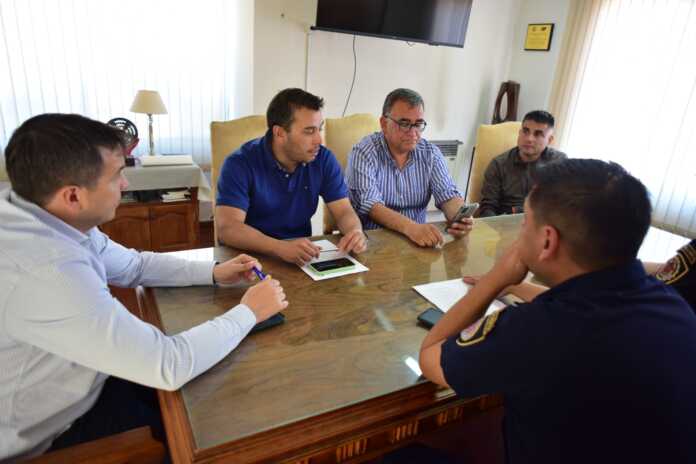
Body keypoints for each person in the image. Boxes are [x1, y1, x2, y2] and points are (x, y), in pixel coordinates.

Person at [0, 114, 288, 461]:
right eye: (116, 176)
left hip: (85, 376)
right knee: (217, 426)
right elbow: (168, 364)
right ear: (73, 196)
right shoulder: (47, 270)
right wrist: (249, 312)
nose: (125, 185)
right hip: (50, 431)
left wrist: (214, 272)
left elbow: (134, 265)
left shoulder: (43, 214)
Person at [419, 159, 696, 463]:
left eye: (526, 222)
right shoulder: (675, 308)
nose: (520, 233)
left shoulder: (534, 331)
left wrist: (497, 278)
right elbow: (587, 304)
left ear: (547, 240)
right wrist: (515, 288)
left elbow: (431, 356)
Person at [215, 88, 367, 266]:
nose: (319, 140)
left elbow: (343, 211)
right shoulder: (239, 163)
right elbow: (228, 228)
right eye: (309, 131)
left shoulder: (322, 158)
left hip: (300, 258)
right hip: (249, 259)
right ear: (279, 133)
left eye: (319, 129)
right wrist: (279, 247)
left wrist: (355, 231)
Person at [345, 88, 473, 248]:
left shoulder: (431, 154)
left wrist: (459, 216)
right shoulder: (364, 152)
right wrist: (411, 228)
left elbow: (448, 195)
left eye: (418, 124)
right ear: (384, 124)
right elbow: (372, 206)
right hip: (373, 243)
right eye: (404, 124)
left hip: (418, 243)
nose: (413, 133)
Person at [478, 110, 566, 217]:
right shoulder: (498, 164)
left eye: (538, 134)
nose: (529, 139)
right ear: (519, 133)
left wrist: (517, 210)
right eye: (525, 131)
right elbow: (487, 207)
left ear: (550, 140)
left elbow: (562, 203)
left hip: (543, 221)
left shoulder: (560, 163)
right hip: (505, 221)